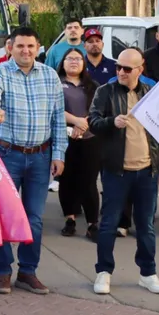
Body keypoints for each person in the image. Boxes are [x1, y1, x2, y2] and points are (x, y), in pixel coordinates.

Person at [0, 27, 64, 295]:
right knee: (3, 215)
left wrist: (59, 154)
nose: (25, 51)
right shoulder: (0, 72)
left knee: (34, 219)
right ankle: (3, 272)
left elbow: (58, 119)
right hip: (7, 155)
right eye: (20, 46)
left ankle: (28, 272)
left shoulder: (50, 76)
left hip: (41, 157)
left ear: (38, 47)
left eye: (30, 46)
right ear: (10, 47)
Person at [88, 48, 159, 295]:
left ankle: (148, 273)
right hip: (116, 170)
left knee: (146, 224)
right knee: (109, 223)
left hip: (147, 170)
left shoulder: (150, 94)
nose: (121, 72)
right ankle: (103, 272)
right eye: (118, 67)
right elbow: (92, 121)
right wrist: (111, 122)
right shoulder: (106, 91)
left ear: (140, 69)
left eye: (127, 68)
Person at [58, 50, 101, 240]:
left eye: (78, 59)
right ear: (63, 62)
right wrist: (75, 121)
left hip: (90, 138)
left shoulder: (92, 85)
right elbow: (54, 108)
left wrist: (83, 125)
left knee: (89, 181)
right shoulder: (55, 84)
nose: (74, 62)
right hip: (64, 138)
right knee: (67, 180)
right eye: (70, 58)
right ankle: (70, 219)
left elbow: (98, 110)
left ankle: (92, 223)